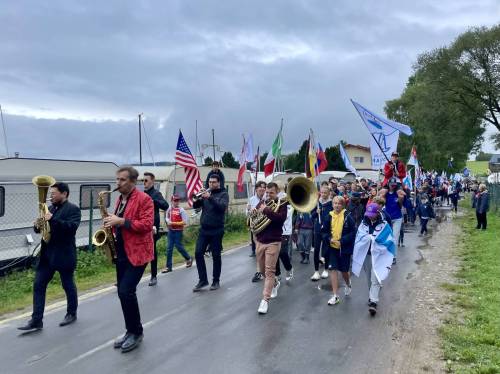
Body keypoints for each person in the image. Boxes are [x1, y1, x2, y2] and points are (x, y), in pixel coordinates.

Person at [18, 182, 81, 332]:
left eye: (53, 193)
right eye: (50, 193)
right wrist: (37, 224)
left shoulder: (73, 209)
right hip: (47, 255)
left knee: (68, 285)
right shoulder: (50, 208)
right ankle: (36, 320)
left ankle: (71, 313)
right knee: (38, 285)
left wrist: (52, 219)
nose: (50, 196)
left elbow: (71, 228)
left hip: (64, 255)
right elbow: (40, 230)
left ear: (64, 194)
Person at [104, 166, 154, 353]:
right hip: (122, 252)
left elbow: (147, 225)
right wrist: (110, 222)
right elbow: (119, 222)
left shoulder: (145, 199)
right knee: (122, 293)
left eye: (122, 180)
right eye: (117, 179)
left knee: (126, 291)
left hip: (138, 252)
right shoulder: (119, 199)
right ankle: (130, 330)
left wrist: (121, 221)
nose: (118, 183)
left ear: (133, 181)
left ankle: (137, 332)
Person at [352, 203, 396, 316]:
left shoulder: (384, 224)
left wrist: (376, 240)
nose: (370, 216)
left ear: (377, 213)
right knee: (368, 278)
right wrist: (368, 238)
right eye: (369, 214)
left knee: (374, 278)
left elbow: (389, 239)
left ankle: (373, 302)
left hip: (379, 256)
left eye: (372, 214)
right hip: (367, 255)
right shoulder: (363, 223)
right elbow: (359, 236)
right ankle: (372, 295)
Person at [254, 182, 287, 314]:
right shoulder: (262, 202)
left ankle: (265, 300)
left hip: (274, 241)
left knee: (269, 271)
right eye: (267, 192)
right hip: (260, 241)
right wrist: (253, 213)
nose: (268, 195)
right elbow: (253, 220)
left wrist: (266, 211)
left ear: (277, 192)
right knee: (262, 272)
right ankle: (274, 283)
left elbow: (280, 220)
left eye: (271, 193)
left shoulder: (282, 204)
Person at [192, 174, 229, 291]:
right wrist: (197, 199)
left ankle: (216, 281)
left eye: (213, 182)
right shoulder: (205, 194)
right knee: (198, 253)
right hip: (204, 229)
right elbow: (196, 207)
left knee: (216, 255)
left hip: (217, 229)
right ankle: (203, 280)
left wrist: (210, 197)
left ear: (218, 183)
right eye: (210, 182)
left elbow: (222, 207)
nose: (211, 184)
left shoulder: (224, 194)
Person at [323, 196, 356, 305]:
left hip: (344, 249)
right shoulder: (329, 216)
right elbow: (324, 232)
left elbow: (353, 232)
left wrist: (342, 241)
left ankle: (348, 283)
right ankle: (335, 296)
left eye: (339, 203)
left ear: (343, 205)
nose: (337, 205)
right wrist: (329, 239)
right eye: (335, 203)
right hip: (332, 248)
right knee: (333, 269)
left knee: (344, 271)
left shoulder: (348, 216)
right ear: (332, 204)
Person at [143, 172, 169, 286]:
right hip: (142, 225)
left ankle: (154, 276)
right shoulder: (141, 194)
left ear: (152, 181)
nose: (144, 183)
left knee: (152, 250)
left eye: (146, 180)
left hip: (152, 226)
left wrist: (154, 201)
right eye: (143, 181)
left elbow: (166, 205)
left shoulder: (156, 194)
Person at [163, 194, 192, 273]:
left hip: (178, 231)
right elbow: (167, 217)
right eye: (175, 200)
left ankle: (188, 258)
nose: (176, 202)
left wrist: (173, 223)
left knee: (179, 246)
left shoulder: (181, 210)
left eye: (178, 200)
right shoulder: (169, 208)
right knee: (169, 248)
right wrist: (168, 221)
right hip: (171, 231)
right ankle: (168, 267)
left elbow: (185, 222)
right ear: (172, 201)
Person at [311, 185, 333, 281]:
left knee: (326, 250)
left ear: (328, 193)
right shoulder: (317, 202)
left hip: (327, 230)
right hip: (317, 230)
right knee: (316, 250)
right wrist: (316, 212)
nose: (323, 194)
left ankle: (326, 269)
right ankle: (316, 271)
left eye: (325, 193)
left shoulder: (332, 203)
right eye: (322, 192)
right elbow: (312, 216)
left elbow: (334, 216)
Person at [383, 178, 406, 264]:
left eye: (394, 184)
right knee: (387, 237)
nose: (392, 186)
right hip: (387, 218)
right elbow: (381, 202)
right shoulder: (385, 193)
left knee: (395, 238)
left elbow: (401, 204)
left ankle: (393, 257)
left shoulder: (398, 193)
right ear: (388, 184)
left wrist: (400, 199)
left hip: (397, 218)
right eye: (391, 184)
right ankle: (386, 254)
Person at [248, 181, 266, 283]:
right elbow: (248, 213)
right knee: (259, 251)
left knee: (266, 251)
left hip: (266, 227)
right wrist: (249, 211)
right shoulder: (252, 199)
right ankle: (259, 271)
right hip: (256, 228)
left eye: (264, 188)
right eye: (260, 188)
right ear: (256, 190)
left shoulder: (267, 199)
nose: (262, 190)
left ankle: (268, 271)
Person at [275, 186, 294, 284]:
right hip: (275, 231)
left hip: (285, 231)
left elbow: (285, 216)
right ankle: (277, 274)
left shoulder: (287, 200)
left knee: (282, 252)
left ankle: (289, 268)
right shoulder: (274, 199)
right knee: (275, 254)